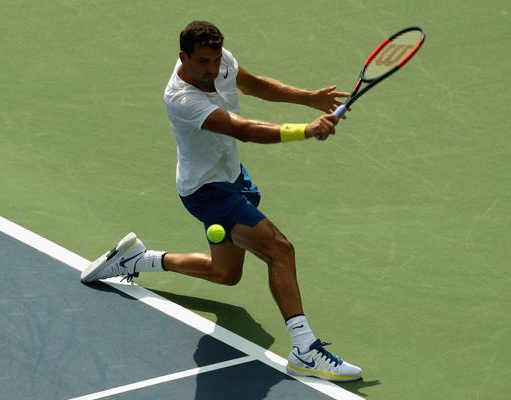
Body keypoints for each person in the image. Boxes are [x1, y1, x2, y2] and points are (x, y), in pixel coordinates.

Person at [81, 21, 362, 382]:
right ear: (183, 57)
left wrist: (306, 97)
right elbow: (241, 129)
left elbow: (253, 84)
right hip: (206, 191)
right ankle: (305, 350)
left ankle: (139, 259)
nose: (211, 70)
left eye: (215, 60)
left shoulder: (221, 60)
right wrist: (305, 130)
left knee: (226, 274)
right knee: (279, 249)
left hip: (231, 177)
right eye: (202, 62)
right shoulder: (182, 99)